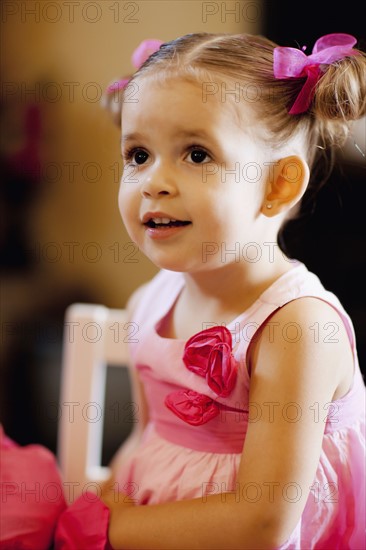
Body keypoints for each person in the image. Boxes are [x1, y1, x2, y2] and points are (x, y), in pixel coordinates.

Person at [59, 33, 366, 549]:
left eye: (197, 154)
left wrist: (112, 529)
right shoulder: (149, 303)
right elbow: (148, 438)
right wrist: (104, 500)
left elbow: (261, 523)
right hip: (155, 524)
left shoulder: (297, 330)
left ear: (278, 185)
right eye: (138, 154)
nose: (153, 181)